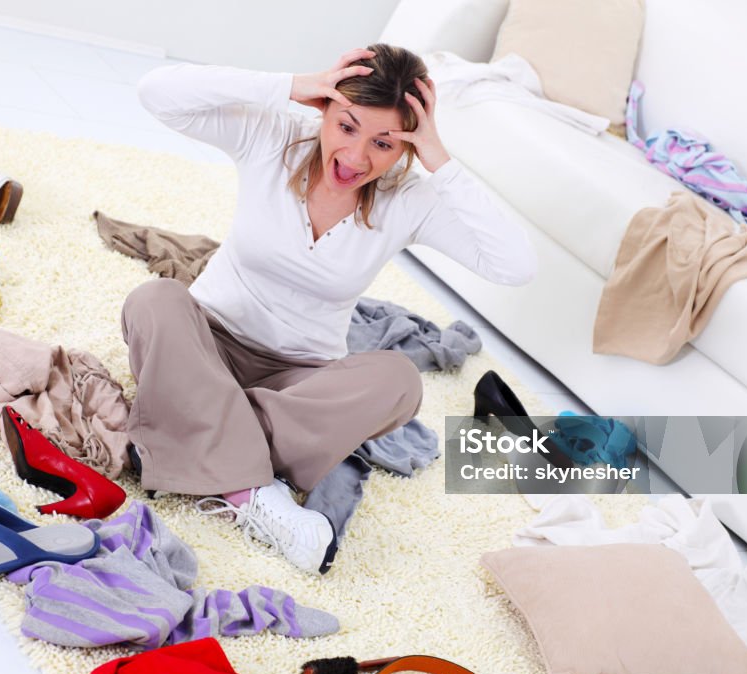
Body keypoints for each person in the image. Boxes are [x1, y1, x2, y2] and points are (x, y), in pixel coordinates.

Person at [124, 44, 536, 575]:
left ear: (405, 146)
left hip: (298, 379)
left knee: (400, 381)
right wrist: (289, 84)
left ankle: (199, 430)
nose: (357, 157)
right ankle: (253, 492)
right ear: (324, 107)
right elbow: (155, 93)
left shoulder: (408, 199)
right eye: (347, 127)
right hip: (206, 340)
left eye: (384, 143)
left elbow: (514, 265)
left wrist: (439, 156)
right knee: (154, 300)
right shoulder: (273, 136)